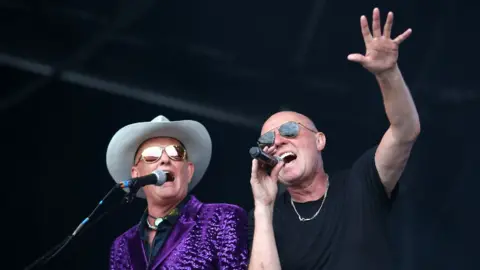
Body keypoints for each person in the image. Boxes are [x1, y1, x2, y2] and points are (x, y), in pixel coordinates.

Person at [248, 8, 420, 270]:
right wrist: (262, 205)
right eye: (267, 140)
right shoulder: (263, 219)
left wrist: (388, 74)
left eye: (290, 130)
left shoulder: (360, 182)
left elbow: (405, 130)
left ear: (319, 141)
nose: (278, 141)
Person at [106, 115, 249, 269]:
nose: (165, 160)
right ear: (136, 174)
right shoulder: (122, 245)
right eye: (151, 155)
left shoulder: (222, 218)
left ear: (189, 171)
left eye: (176, 153)